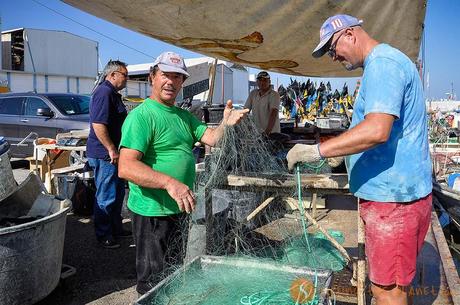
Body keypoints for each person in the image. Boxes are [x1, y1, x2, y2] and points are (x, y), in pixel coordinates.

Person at [287, 14, 431, 305]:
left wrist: (317, 151)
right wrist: (345, 155)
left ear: (350, 34)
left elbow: (377, 130)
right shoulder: (383, 63)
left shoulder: (383, 64)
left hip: (393, 202)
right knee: (393, 286)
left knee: (387, 291)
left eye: (332, 48)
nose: (333, 56)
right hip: (391, 198)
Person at [118, 51, 249, 295]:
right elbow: (126, 166)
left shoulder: (183, 116)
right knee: (152, 283)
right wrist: (170, 183)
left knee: (174, 274)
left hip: (179, 209)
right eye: (166, 75)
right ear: (152, 78)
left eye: (178, 77)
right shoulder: (142, 117)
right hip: (152, 212)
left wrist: (225, 124)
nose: (171, 82)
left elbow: (211, 137)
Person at [86, 60, 131, 249]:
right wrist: (111, 149)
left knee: (117, 192)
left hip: (113, 153)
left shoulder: (113, 94)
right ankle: (104, 235)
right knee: (106, 195)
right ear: (112, 75)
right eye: (124, 75)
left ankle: (115, 228)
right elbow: (98, 124)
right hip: (105, 154)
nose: (127, 79)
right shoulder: (104, 93)